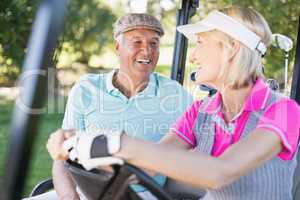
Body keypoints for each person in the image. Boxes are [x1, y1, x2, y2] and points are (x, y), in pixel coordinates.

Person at [47, 6, 300, 200]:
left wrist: (113, 143)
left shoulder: (285, 111)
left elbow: (220, 171)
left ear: (231, 48)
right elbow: (143, 163)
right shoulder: (200, 112)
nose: (193, 55)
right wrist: (77, 148)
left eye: (200, 44)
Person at [29, 13, 193, 200]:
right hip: (85, 189)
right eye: (137, 42)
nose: (147, 51)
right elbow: (62, 157)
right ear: (118, 47)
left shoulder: (175, 94)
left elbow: (197, 148)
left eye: (154, 43)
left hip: (142, 194)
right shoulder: (86, 89)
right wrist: (68, 195)